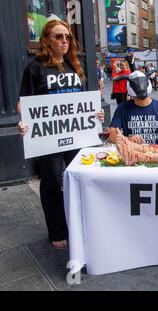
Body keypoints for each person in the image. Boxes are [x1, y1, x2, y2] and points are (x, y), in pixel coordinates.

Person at [17, 20, 103, 250]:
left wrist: (96, 114)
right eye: (58, 36)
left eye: (67, 37)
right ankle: (57, 230)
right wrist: (24, 123)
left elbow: (82, 101)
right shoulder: (34, 68)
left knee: (81, 174)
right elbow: (23, 102)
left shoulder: (75, 65)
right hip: (48, 136)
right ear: (46, 39)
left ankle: (84, 222)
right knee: (52, 180)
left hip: (77, 132)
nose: (65, 40)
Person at [109, 71, 158, 145]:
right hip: (131, 154)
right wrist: (128, 139)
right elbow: (111, 136)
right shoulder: (122, 108)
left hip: (156, 153)